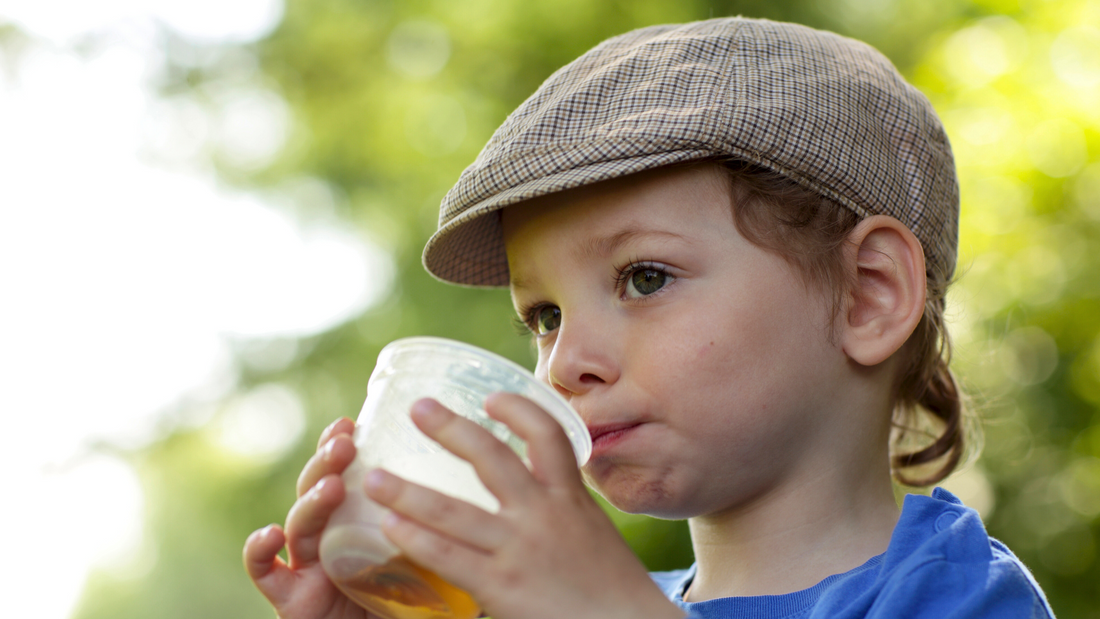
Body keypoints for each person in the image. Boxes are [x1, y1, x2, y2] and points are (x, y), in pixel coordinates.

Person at [243, 17, 1056, 619]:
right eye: (545, 314)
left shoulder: (956, 594)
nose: (563, 364)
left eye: (644, 276)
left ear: (868, 294)